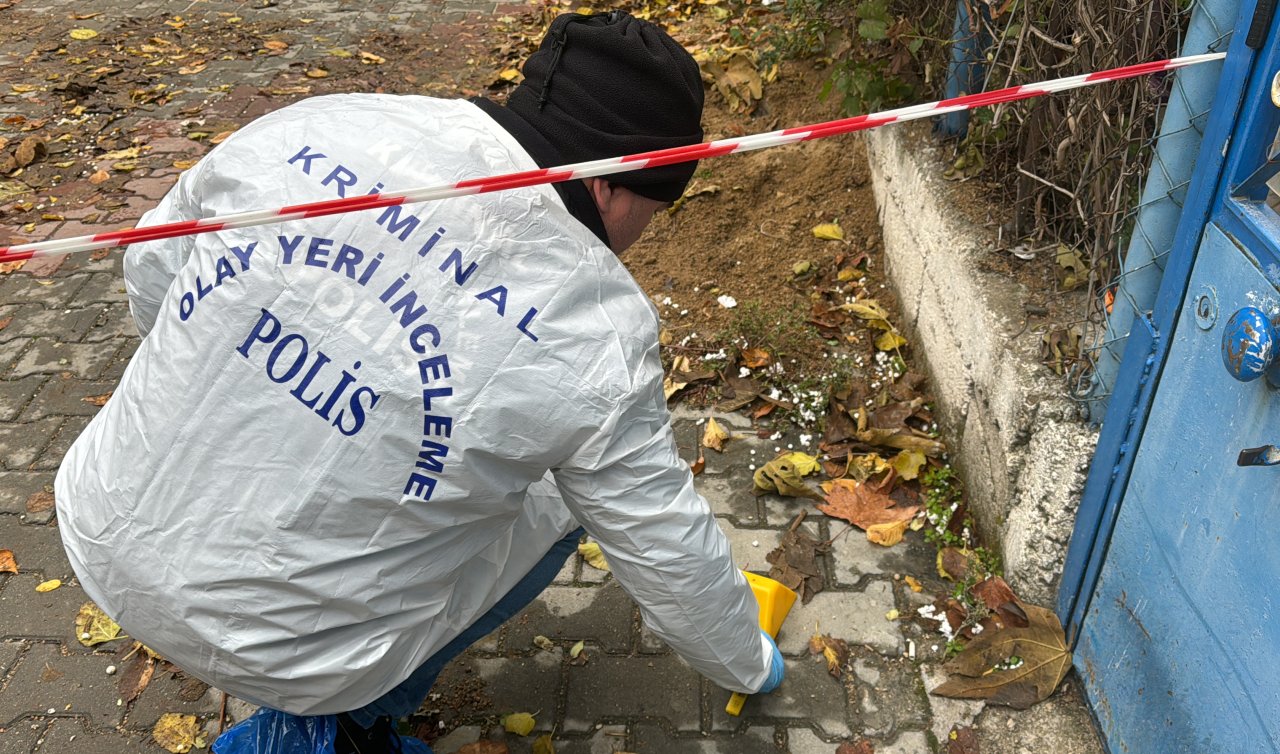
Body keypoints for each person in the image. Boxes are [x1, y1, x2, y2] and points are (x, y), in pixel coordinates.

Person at [54, 11, 784, 753]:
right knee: (567, 496)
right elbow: (662, 544)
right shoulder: (599, 327)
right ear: (611, 189)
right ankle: (346, 727)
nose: (644, 235)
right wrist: (749, 662)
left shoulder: (325, 123)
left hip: (103, 518)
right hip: (291, 656)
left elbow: (150, 269)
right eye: (655, 212)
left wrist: (244, 383)